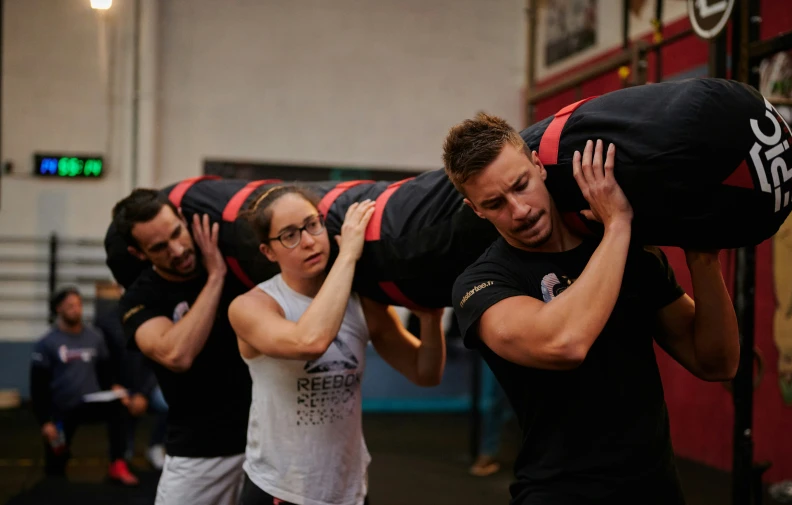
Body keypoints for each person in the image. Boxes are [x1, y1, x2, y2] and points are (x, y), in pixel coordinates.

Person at [442, 113, 740, 504]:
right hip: (559, 493)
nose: (519, 211)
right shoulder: (483, 284)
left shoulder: (629, 256)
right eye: (495, 203)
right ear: (475, 209)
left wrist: (703, 257)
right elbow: (564, 343)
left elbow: (717, 362)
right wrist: (617, 226)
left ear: (537, 165)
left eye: (521, 185)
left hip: (657, 490)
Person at [228, 187, 447, 505]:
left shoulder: (363, 304)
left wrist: (431, 319)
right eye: (290, 235)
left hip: (349, 488)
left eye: (312, 224)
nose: (307, 240)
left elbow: (425, 373)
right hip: (281, 489)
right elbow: (310, 340)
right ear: (268, 252)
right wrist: (348, 255)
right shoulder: (252, 307)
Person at [114, 189, 252, 505]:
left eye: (177, 233)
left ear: (182, 218)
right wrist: (215, 277)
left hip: (265, 443)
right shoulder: (139, 300)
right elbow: (176, 355)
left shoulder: (239, 265)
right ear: (139, 253)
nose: (177, 250)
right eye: (159, 248)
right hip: (200, 451)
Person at [29, 286, 138, 485]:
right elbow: (38, 387)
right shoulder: (47, 343)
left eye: (78, 305)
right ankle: (56, 471)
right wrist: (45, 421)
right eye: (70, 306)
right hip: (62, 407)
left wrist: (114, 387)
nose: (76, 309)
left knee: (120, 408)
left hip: (90, 402)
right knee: (54, 466)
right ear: (58, 309)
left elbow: (105, 371)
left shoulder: (94, 337)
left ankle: (118, 463)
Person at [93, 282, 168, 469]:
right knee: (121, 422)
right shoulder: (105, 322)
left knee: (169, 404)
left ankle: (156, 446)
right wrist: (115, 387)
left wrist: (143, 393)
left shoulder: (153, 318)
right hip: (119, 388)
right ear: (119, 288)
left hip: (146, 386)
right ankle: (124, 450)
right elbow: (102, 361)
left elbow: (156, 361)